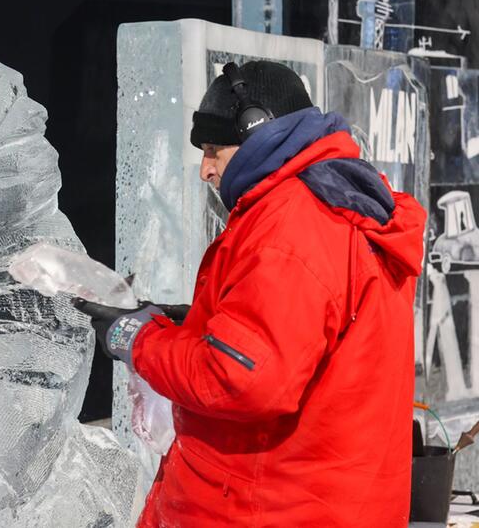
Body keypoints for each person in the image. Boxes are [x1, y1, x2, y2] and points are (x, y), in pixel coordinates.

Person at [76, 61, 425, 526]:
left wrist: (134, 340)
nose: (205, 169)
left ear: (258, 130)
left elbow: (239, 382)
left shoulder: (291, 224)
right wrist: (197, 324)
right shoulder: (340, 201)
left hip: (268, 510)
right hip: (327, 501)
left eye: (215, 149)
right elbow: (293, 342)